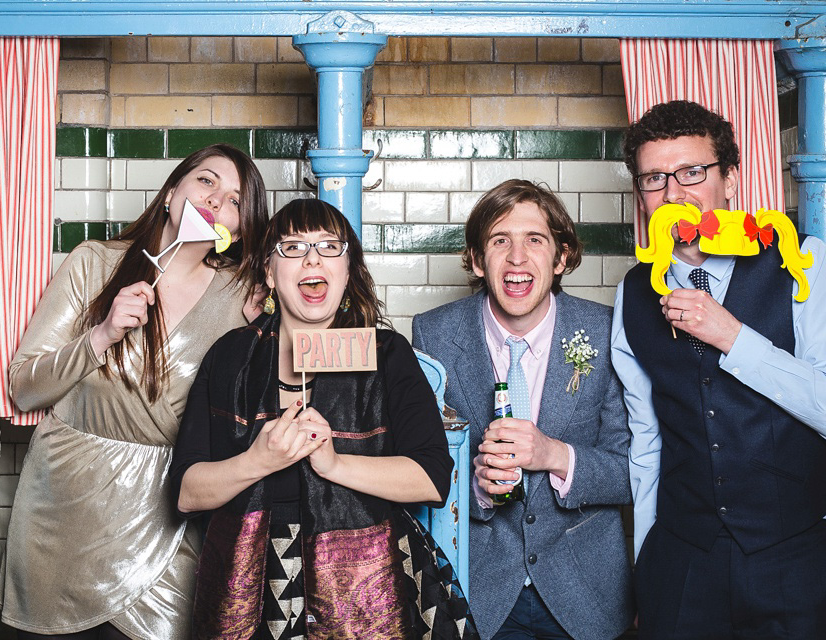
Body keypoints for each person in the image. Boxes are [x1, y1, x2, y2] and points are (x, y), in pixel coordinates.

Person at [0, 144, 269, 640]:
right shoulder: (93, 263)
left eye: (233, 200)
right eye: (206, 182)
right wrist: (100, 336)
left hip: (168, 515)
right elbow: (23, 388)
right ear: (171, 193)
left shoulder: (240, 300)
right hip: (64, 514)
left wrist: (265, 325)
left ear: (239, 229)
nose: (215, 201)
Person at [170, 198, 478, 639]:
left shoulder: (387, 354)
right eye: (292, 248)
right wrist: (257, 460)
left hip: (367, 593)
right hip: (246, 589)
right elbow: (185, 493)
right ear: (268, 274)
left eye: (329, 247)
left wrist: (334, 464)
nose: (312, 258)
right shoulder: (230, 356)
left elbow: (432, 479)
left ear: (348, 270)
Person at [612, 99, 826, 639]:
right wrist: (646, 567)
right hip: (682, 563)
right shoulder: (633, 292)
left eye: (692, 172)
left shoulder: (804, 263)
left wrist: (733, 338)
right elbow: (647, 442)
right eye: (654, 179)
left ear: (729, 179)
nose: (674, 195)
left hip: (795, 562)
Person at [413, 179, 633, 640]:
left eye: (534, 240)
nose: (517, 257)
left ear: (561, 258)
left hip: (585, 596)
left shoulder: (607, 330)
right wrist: (473, 486)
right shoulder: (433, 334)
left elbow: (634, 471)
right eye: (499, 241)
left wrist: (555, 455)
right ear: (476, 259)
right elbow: (418, 469)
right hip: (480, 595)